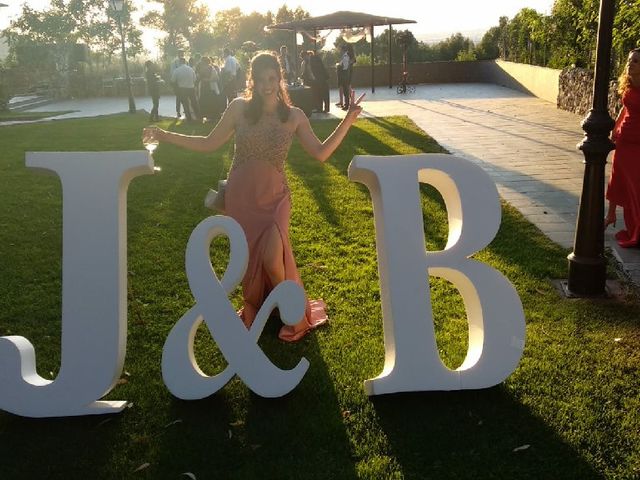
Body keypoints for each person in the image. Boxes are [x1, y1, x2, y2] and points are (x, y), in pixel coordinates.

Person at [143, 51, 365, 342]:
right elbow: (209, 143)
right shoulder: (239, 109)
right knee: (249, 260)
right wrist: (165, 135)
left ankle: (295, 317)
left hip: (274, 199)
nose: (266, 85)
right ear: (252, 81)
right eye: (260, 79)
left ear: (279, 79)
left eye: (271, 78)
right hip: (241, 197)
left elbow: (321, 153)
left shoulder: (294, 116)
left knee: (274, 259)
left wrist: (348, 120)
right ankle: (261, 306)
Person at [605, 47, 640, 248]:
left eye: (635, 61)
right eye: (629, 60)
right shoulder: (628, 86)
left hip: (638, 144)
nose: (630, 64)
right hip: (624, 141)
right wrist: (614, 129)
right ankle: (611, 215)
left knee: (636, 187)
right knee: (617, 179)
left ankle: (636, 229)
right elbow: (624, 109)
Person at [170, 57, 199, 122]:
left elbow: (172, 81)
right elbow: (195, 79)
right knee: (194, 103)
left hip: (182, 89)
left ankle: (188, 118)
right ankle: (198, 116)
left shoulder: (177, 70)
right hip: (191, 88)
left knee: (185, 104)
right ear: (185, 62)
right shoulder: (191, 69)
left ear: (179, 62)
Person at [170, 51, 185, 118]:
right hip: (177, 83)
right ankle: (178, 111)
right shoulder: (174, 63)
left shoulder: (185, 61)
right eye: (181, 53)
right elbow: (172, 73)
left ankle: (185, 110)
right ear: (178, 54)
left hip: (184, 82)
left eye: (183, 53)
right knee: (178, 98)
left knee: (185, 97)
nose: (182, 54)